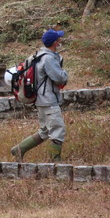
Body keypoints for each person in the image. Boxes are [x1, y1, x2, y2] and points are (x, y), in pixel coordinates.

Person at [10, 28, 68, 163]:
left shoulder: (37, 55)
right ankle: (56, 161)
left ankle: (19, 149)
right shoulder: (48, 59)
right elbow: (59, 78)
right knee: (58, 130)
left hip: (40, 100)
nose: (60, 41)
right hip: (49, 100)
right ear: (55, 42)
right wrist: (65, 73)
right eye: (59, 39)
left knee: (45, 131)